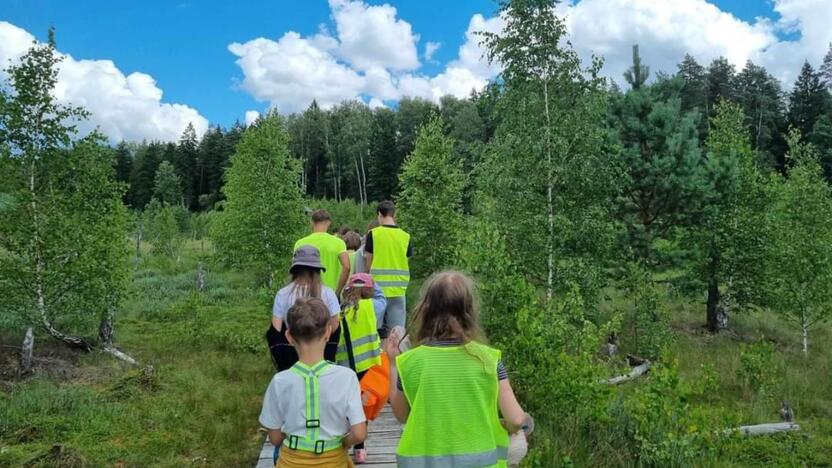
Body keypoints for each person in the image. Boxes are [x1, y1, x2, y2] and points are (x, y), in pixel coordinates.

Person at [384, 271, 532, 468]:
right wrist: (525, 425)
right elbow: (516, 418)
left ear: (426, 309)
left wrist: (393, 364)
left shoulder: (410, 362)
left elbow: (402, 415)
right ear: (469, 311)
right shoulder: (488, 359)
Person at [260, 297, 367, 468]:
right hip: (333, 461)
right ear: (328, 332)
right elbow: (359, 434)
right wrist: (344, 443)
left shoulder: (280, 381)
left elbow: (275, 438)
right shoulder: (347, 377)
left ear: (289, 336)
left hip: (291, 462)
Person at [336, 273, 387, 464]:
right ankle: (360, 450)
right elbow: (383, 299)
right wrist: (374, 280)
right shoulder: (372, 307)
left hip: (345, 368)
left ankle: (342, 443)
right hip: (368, 367)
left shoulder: (339, 311)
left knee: (346, 407)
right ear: (369, 290)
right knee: (361, 408)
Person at [268, 246, 341, 372]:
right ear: (317, 270)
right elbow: (335, 324)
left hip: (294, 352)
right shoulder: (328, 293)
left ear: (295, 269)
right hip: (321, 352)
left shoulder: (283, 294)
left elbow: (276, 328)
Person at [364, 201, 411, 336]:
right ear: (393, 215)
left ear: (379, 214)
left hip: (377, 290)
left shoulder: (373, 234)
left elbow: (369, 261)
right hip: (398, 290)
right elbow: (405, 260)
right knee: (396, 334)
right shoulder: (405, 236)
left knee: (375, 332)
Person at [295, 209, 350, 294]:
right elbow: (347, 267)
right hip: (330, 291)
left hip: (306, 291)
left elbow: (295, 269)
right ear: (328, 223)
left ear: (312, 222)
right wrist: (338, 292)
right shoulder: (338, 243)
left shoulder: (300, 243)